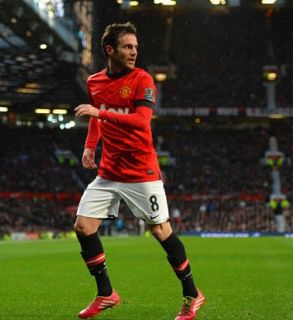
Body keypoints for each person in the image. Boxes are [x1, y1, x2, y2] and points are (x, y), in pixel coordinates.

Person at [73, 22, 205, 320]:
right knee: (84, 226)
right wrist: (89, 147)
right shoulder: (94, 81)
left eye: (135, 47)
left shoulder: (142, 79)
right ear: (110, 50)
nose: (134, 52)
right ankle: (106, 293)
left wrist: (99, 112)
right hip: (109, 170)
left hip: (141, 170)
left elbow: (141, 121)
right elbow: (97, 118)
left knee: (160, 230)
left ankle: (193, 295)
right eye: (127, 47)